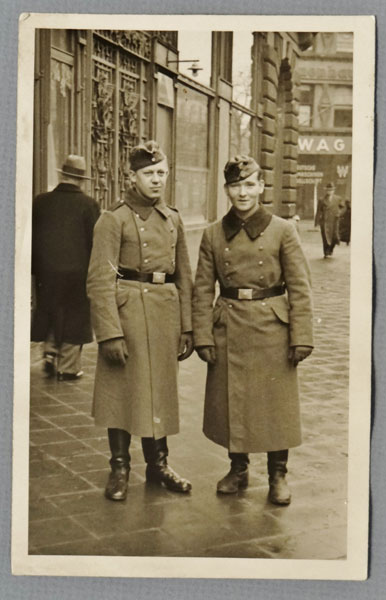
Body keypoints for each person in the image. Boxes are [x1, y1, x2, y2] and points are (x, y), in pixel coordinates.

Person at [192, 155, 313, 505]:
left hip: (272, 324)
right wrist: (202, 335)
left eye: (249, 185)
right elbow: (202, 289)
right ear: (227, 190)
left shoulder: (282, 230)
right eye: (235, 185)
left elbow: (300, 286)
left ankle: (278, 474)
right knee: (234, 399)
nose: (242, 192)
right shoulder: (213, 233)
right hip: (228, 324)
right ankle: (238, 468)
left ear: (261, 187)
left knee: (276, 404)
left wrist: (302, 335)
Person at [87, 140, 194, 501]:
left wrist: (188, 327)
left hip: (164, 314)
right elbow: (100, 279)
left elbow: (185, 276)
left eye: (162, 173)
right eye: (149, 173)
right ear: (131, 177)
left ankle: (158, 464)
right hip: (127, 314)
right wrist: (108, 334)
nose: (157, 180)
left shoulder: (173, 219)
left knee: (159, 391)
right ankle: (119, 468)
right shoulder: (112, 219)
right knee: (121, 393)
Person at [31, 154, 100, 381]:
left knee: (51, 310)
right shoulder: (89, 205)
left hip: (46, 272)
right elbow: (94, 243)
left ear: (62, 175)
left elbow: (31, 238)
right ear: (81, 180)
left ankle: (50, 352)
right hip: (77, 273)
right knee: (75, 317)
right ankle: (68, 368)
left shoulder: (40, 201)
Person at [314, 182, 345, 258]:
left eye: (331, 190)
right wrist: (316, 222)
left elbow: (343, 207)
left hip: (334, 221)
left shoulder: (338, 199)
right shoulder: (322, 200)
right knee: (325, 237)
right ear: (326, 191)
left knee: (334, 237)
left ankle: (331, 249)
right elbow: (318, 211)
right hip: (325, 222)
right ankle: (326, 252)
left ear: (333, 190)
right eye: (328, 190)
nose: (329, 191)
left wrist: (339, 213)